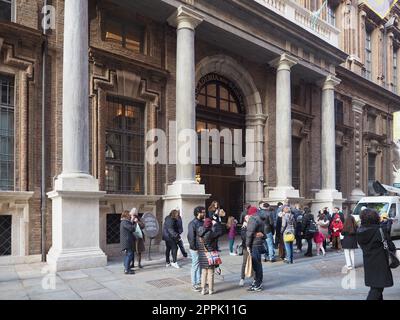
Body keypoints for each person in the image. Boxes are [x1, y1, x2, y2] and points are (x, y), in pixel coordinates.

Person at [357, 209, 395, 300]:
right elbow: (391, 247)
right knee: (376, 289)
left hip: (368, 262)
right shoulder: (380, 230)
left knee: (376, 287)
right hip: (380, 263)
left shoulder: (359, 231)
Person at [198, 218, 223, 295]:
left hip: (202, 255)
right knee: (210, 273)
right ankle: (210, 290)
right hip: (210, 255)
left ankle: (203, 290)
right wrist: (216, 224)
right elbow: (220, 232)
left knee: (203, 273)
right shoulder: (210, 233)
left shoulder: (199, 232)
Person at [246, 209, 267, 292]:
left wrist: (247, 245)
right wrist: (262, 236)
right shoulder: (261, 218)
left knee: (256, 265)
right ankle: (257, 282)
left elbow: (249, 233)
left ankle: (257, 284)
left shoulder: (253, 219)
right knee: (258, 264)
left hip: (254, 244)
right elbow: (264, 233)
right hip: (259, 243)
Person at [187, 206, 206, 292]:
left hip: (201, 247)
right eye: (202, 212)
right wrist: (194, 247)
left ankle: (199, 281)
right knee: (195, 265)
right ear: (198, 213)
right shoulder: (192, 223)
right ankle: (194, 283)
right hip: (195, 247)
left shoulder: (202, 222)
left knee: (200, 265)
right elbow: (191, 236)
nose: (204, 213)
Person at [120, 210, 137, 275]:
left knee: (128, 255)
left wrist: (131, 221)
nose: (130, 216)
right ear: (126, 215)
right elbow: (132, 229)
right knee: (129, 255)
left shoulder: (124, 222)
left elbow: (130, 227)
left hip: (127, 241)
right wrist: (134, 222)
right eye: (129, 215)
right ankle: (127, 269)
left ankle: (127, 268)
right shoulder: (124, 222)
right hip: (127, 242)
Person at [239, 214, 251, 286]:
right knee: (244, 262)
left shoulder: (253, 225)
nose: (248, 219)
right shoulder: (244, 227)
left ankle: (256, 278)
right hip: (246, 247)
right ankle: (242, 278)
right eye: (247, 218)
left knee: (254, 263)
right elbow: (243, 237)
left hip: (253, 246)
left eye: (249, 217)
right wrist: (244, 228)